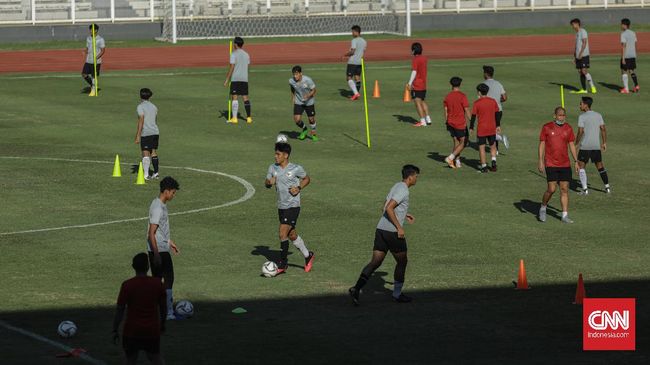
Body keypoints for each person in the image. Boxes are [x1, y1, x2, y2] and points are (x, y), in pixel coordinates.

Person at [349, 165, 419, 305]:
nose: (417, 179)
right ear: (410, 177)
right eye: (416, 176)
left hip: (381, 229)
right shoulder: (404, 190)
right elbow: (389, 208)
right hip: (392, 232)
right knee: (402, 261)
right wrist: (399, 227)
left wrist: (404, 215)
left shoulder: (396, 186)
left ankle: (356, 288)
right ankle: (397, 294)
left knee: (375, 262)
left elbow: (384, 207)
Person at [264, 143, 315, 274]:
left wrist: (298, 188)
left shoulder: (296, 168)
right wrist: (269, 182)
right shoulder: (272, 168)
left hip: (293, 206)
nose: (275, 156)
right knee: (291, 234)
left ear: (285, 155)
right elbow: (266, 182)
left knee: (282, 233)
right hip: (281, 206)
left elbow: (307, 179)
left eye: (278, 154)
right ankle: (308, 255)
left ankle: (282, 264)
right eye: (275, 153)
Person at [112, 253, 166, 365]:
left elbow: (120, 310)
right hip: (151, 330)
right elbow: (163, 307)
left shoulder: (127, 285)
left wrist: (115, 329)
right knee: (156, 358)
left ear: (133, 267)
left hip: (132, 330)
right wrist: (163, 324)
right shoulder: (157, 284)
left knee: (130, 360)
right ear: (148, 267)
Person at [538, 107, 580, 224]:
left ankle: (564, 215)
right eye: (560, 115)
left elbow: (571, 145)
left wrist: (576, 161)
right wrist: (540, 160)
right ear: (554, 116)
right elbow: (542, 144)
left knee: (564, 189)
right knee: (551, 189)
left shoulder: (568, 128)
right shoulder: (547, 127)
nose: (562, 117)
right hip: (551, 163)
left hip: (565, 164)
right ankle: (543, 207)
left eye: (563, 115)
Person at [148, 177, 180, 320]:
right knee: (168, 279)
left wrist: (170, 242)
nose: (174, 195)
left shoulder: (159, 204)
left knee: (157, 281)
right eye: (173, 192)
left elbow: (161, 231)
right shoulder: (157, 208)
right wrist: (156, 254)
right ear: (166, 191)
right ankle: (168, 312)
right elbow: (151, 232)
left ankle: (156, 311)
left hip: (161, 247)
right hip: (159, 250)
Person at [576, 97, 610, 195]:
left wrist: (576, 143)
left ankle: (585, 190)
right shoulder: (598, 115)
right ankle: (607, 187)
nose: (580, 105)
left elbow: (580, 131)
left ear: (586, 105)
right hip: (596, 146)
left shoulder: (582, 117)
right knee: (600, 166)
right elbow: (603, 129)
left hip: (585, 146)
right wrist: (604, 142)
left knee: (581, 166)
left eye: (581, 104)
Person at [470, 84, 500, 173]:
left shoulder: (477, 103)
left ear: (479, 92)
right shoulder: (493, 101)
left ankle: (484, 166)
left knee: (481, 147)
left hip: (482, 129)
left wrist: (471, 127)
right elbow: (497, 114)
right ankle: (493, 161)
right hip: (491, 127)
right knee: (493, 145)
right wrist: (498, 125)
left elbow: (473, 116)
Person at [443, 76, 470, 168]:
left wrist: (446, 121)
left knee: (456, 141)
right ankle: (451, 157)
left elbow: (446, 110)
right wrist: (472, 120)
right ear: (460, 84)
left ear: (451, 84)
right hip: (460, 123)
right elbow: (466, 110)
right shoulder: (462, 96)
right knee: (464, 141)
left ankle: (457, 161)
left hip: (450, 122)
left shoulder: (448, 96)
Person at [224, 37, 252, 124]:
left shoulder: (234, 54)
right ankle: (249, 118)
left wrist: (227, 79)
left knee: (234, 97)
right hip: (244, 79)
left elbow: (232, 67)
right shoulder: (247, 54)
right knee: (245, 98)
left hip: (235, 78)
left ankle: (235, 118)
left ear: (236, 44)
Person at [134, 88, 160, 180]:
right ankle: (156, 173)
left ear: (140, 96)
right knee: (153, 152)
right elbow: (155, 120)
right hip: (155, 132)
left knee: (145, 153)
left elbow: (141, 120)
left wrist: (138, 135)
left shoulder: (140, 107)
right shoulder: (154, 106)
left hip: (146, 132)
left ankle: (146, 175)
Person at [482, 65, 509, 150]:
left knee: (487, 130)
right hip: (499, 110)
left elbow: (481, 100)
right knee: (495, 129)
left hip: (488, 111)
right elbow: (504, 98)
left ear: (486, 74)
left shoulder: (483, 85)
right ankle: (495, 149)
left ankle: (500, 139)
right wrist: (497, 100)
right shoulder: (498, 83)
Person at [289, 65, 318, 141]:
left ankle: (314, 133)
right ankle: (304, 129)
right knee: (297, 120)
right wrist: (293, 97)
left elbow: (314, 90)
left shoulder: (308, 80)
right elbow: (292, 88)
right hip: (299, 101)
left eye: (297, 74)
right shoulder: (291, 81)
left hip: (309, 102)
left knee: (311, 119)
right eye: (294, 74)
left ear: (301, 73)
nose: (295, 76)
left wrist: (308, 95)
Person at [570, 18, 597, 94]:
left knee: (584, 71)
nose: (572, 26)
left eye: (573, 25)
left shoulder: (583, 31)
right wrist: (574, 57)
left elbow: (584, 43)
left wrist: (581, 53)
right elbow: (576, 46)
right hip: (578, 56)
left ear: (576, 24)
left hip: (584, 55)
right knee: (580, 71)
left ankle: (592, 87)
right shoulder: (577, 33)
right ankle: (584, 89)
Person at [408, 42, 432, 127]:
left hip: (417, 84)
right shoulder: (424, 58)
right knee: (422, 101)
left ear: (414, 50)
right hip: (423, 83)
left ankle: (422, 121)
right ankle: (428, 118)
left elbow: (414, 71)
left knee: (417, 102)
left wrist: (409, 83)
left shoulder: (415, 59)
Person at [342, 25, 367, 101]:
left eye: (352, 32)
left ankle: (356, 93)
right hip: (360, 62)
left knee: (349, 78)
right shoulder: (364, 41)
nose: (352, 33)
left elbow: (352, 51)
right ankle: (356, 94)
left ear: (356, 32)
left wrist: (345, 55)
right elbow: (363, 51)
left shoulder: (354, 40)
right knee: (357, 78)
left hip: (352, 62)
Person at [81, 24, 105, 97]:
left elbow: (103, 50)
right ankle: (93, 85)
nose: (90, 31)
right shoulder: (88, 38)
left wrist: (97, 57)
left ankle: (93, 90)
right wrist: (85, 51)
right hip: (88, 60)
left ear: (96, 30)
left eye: (92, 29)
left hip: (96, 61)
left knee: (94, 76)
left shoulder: (100, 39)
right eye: (90, 29)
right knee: (84, 74)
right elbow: (88, 48)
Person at [620, 18, 639, 94]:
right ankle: (636, 85)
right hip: (632, 54)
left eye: (621, 24)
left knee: (624, 71)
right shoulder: (633, 33)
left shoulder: (623, 34)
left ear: (625, 25)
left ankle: (626, 89)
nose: (621, 25)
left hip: (626, 55)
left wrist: (623, 58)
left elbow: (624, 46)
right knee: (631, 70)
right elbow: (635, 43)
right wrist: (634, 53)